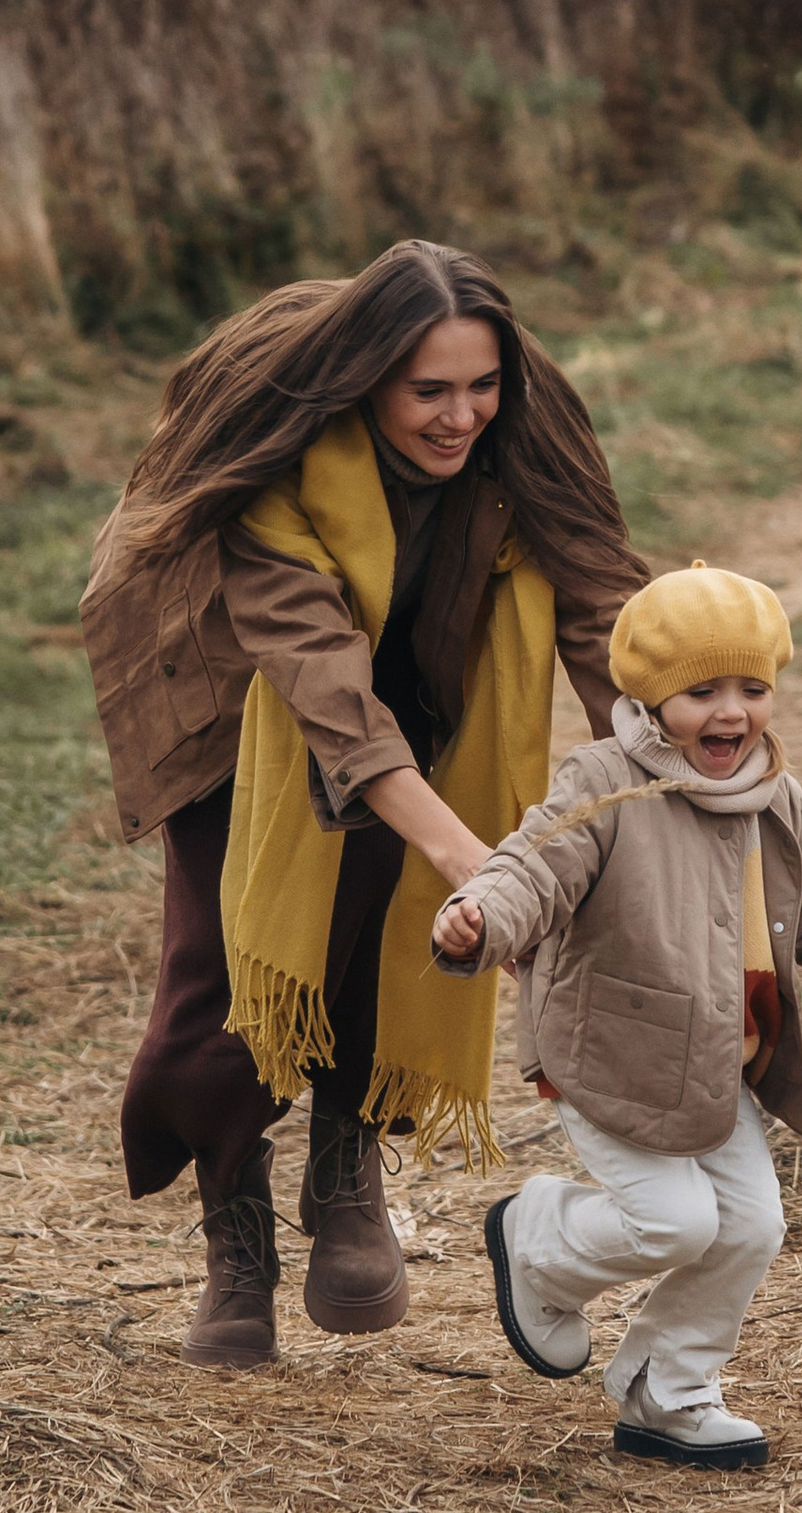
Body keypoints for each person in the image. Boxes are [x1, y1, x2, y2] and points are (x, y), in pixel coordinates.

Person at [80, 240, 649, 1372]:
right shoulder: (282, 456)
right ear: (366, 382)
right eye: (426, 391)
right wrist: (469, 854)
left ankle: (347, 1159)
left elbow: (598, 603)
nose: (458, 417)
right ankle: (233, 1243)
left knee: (388, 938)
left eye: (478, 386)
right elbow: (319, 675)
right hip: (233, 692)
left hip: (422, 680)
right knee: (228, 972)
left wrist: (664, 778)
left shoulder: (521, 425)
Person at [430, 561, 802, 1471]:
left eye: (752, 688)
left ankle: (669, 1385)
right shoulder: (606, 781)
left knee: (751, 1226)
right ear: (652, 699)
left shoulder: (772, 795)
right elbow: (532, 866)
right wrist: (481, 919)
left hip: (715, 1062)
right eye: (701, 692)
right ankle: (539, 1241)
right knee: (675, 1222)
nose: (730, 713)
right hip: (613, 1049)